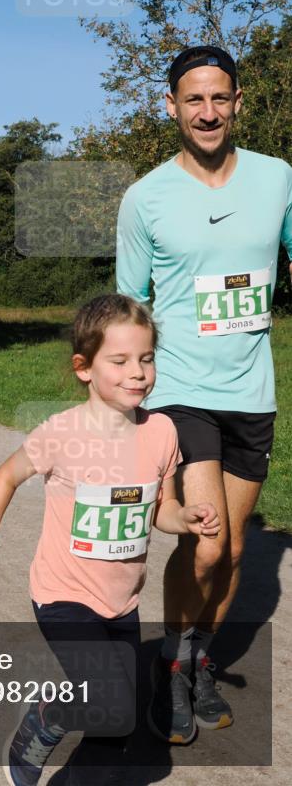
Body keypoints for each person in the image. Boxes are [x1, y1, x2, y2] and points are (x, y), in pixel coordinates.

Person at [0, 294, 220, 785]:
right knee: (111, 702)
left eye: (146, 358)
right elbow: (5, 478)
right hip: (64, 596)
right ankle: (47, 716)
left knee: (115, 733)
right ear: (84, 368)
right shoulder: (62, 433)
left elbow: (160, 508)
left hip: (122, 604)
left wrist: (185, 518)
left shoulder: (162, 431)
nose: (137, 372)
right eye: (119, 361)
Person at [116, 45, 292, 744]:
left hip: (252, 389)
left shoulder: (278, 178)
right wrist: (122, 399)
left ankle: (198, 662)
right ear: (172, 107)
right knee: (209, 543)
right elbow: (129, 305)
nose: (208, 112)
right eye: (194, 99)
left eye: (220, 98)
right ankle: (169, 668)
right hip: (180, 387)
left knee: (239, 552)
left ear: (239, 102)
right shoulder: (146, 197)